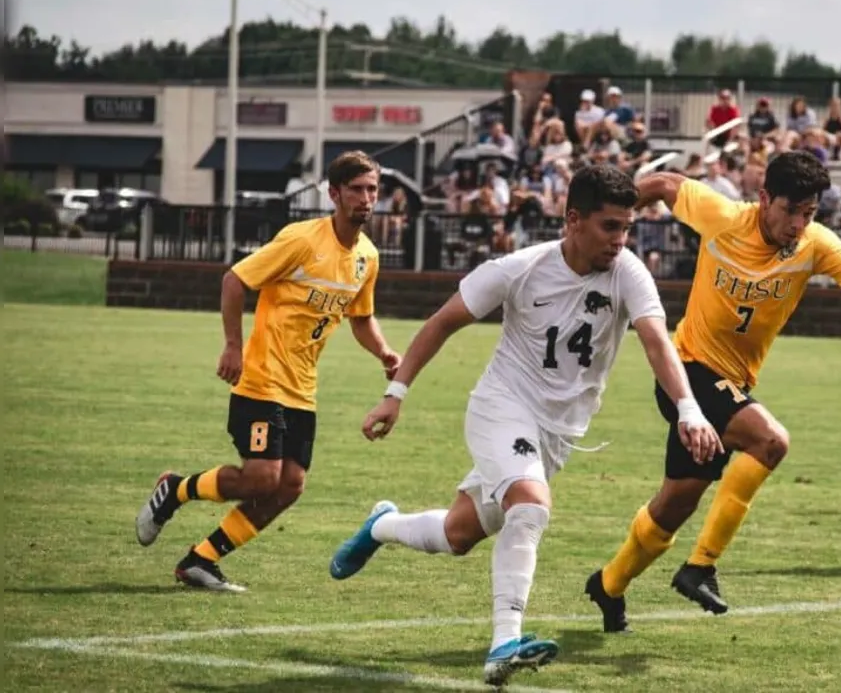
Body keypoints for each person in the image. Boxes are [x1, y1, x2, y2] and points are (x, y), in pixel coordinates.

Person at [328, 165, 722, 687]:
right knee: (531, 505)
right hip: (502, 407)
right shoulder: (519, 268)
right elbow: (443, 322)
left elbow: (656, 341)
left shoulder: (628, 271)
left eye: (627, 227)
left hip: (558, 433)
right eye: (609, 227)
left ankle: (382, 524)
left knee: (459, 533)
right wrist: (393, 395)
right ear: (573, 219)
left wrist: (689, 408)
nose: (620, 240)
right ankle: (504, 645)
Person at [585, 150, 841, 633]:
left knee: (673, 507)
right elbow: (667, 183)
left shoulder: (815, 244)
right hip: (687, 372)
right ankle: (701, 567)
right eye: (790, 210)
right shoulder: (725, 217)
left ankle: (608, 585)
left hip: (730, 385)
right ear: (763, 199)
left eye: (808, 213)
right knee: (769, 440)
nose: (798, 224)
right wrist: (617, 216)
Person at [134, 151, 400, 592]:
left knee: (290, 485)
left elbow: (360, 317)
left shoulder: (367, 257)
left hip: (302, 389)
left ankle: (201, 560)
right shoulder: (301, 239)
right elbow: (234, 280)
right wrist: (234, 346)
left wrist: (385, 353)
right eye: (356, 190)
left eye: (372, 189)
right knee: (261, 477)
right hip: (261, 378)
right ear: (334, 194)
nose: (366, 198)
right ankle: (175, 489)